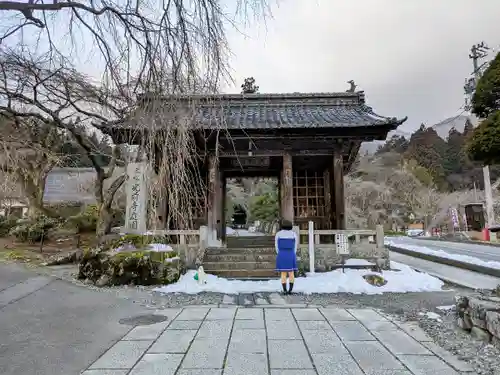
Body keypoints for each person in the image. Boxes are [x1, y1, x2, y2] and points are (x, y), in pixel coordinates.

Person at [275, 220, 298, 294]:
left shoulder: (278, 234)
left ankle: (284, 290)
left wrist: (279, 253)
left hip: (281, 253)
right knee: (291, 273)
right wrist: (293, 253)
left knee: (283, 273)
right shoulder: (293, 234)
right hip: (291, 253)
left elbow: (276, 246)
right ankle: (290, 290)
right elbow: (295, 246)